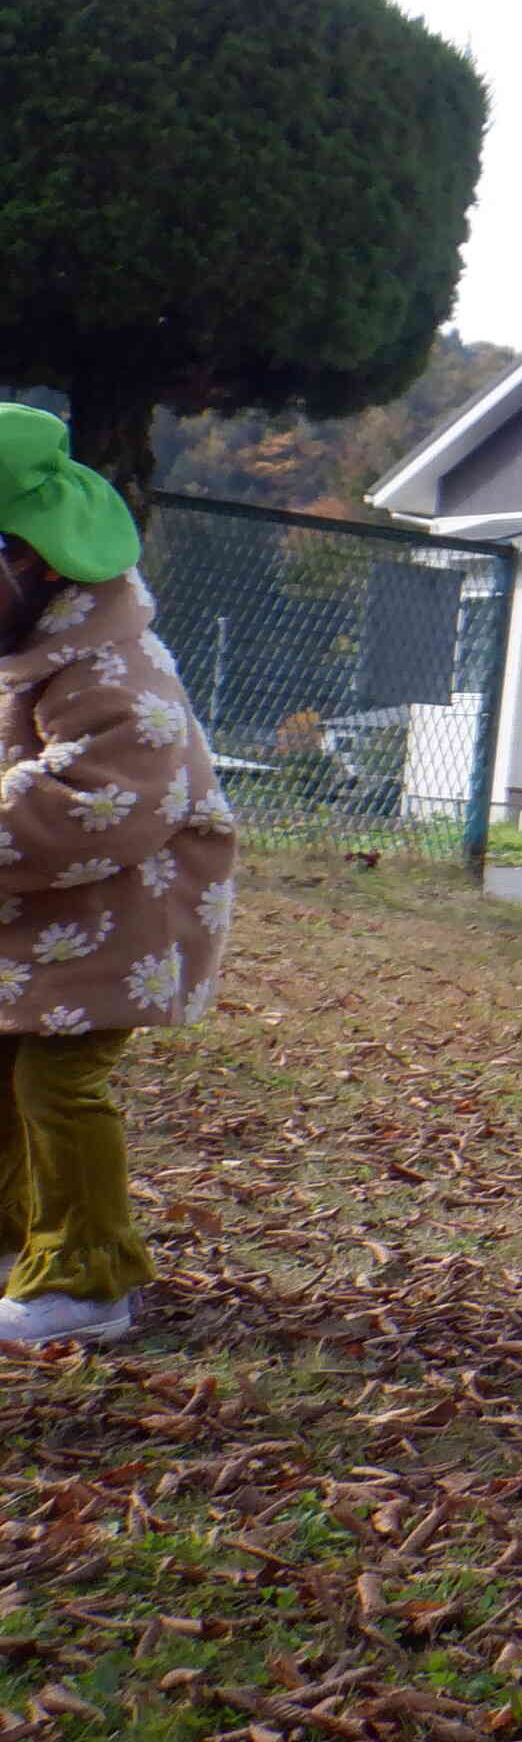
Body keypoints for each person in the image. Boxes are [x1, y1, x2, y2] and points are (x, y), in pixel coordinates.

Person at [0, 405, 236, 1348]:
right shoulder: (30, 651)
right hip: (50, 917)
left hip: (127, 916)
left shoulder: (112, 666)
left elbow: (101, 800)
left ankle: (91, 1280)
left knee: (59, 1087)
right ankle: (22, 1245)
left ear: (36, 557)